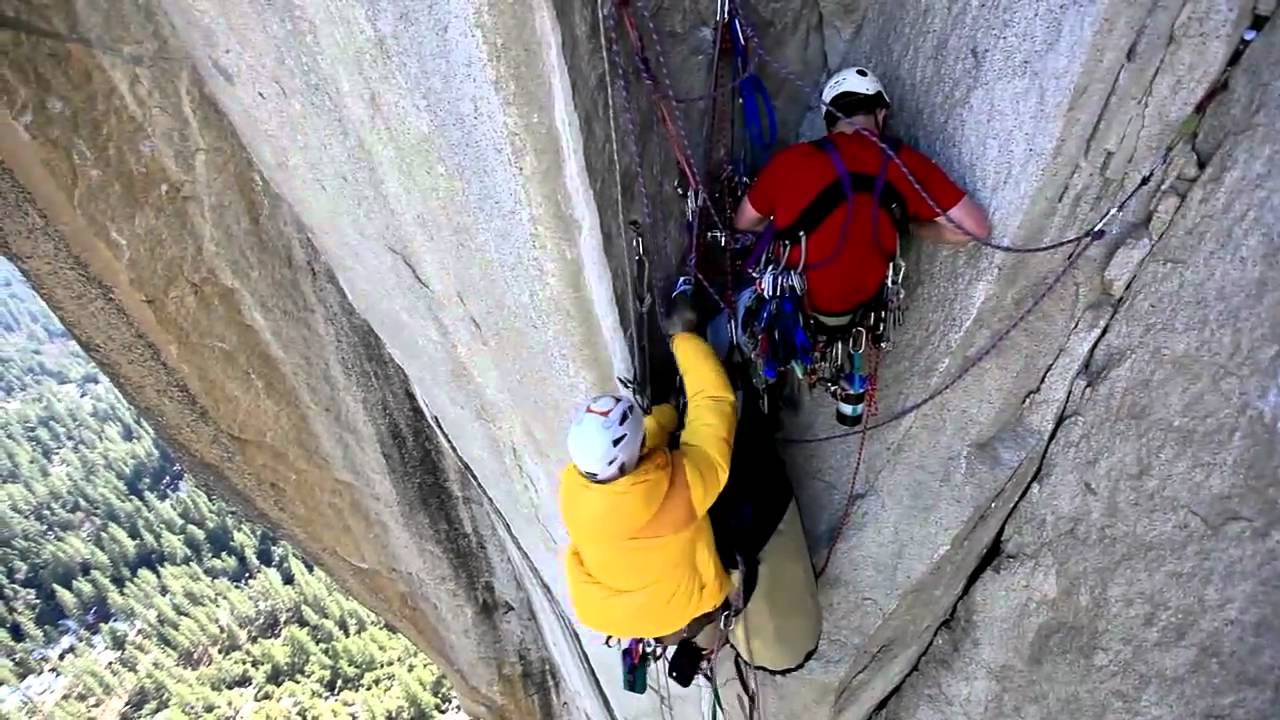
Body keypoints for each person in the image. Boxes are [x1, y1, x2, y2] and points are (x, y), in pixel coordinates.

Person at [733, 66, 991, 321]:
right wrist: (909, 225)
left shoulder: (789, 162)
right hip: (857, 313)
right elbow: (974, 229)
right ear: (881, 114)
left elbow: (744, 224)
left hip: (787, 311)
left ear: (829, 123)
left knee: (725, 324)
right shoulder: (906, 162)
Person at [560, 291, 738, 643]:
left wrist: (665, 418)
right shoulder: (680, 491)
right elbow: (715, 407)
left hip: (626, 615)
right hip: (687, 609)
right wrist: (684, 338)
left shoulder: (574, 497)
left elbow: (635, 472)